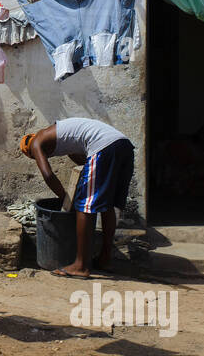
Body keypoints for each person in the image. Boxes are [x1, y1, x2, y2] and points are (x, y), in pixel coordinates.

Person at [19, 117, 134, 278]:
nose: (41, 158)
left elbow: (48, 174)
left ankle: (80, 266)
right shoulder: (61, 137)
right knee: (107, 204)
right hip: (123, 146)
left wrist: (65, 199)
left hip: (103, 147)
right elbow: (83, 161)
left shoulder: (36, 142)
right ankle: (105, 259)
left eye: (35, 157)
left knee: (84, 205)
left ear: (30, 152)